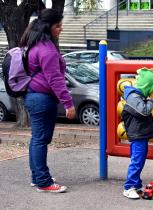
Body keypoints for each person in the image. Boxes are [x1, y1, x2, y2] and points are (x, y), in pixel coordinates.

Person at [20, 9, 76, 193]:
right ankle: (44, 182)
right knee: (40, 140)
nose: (61, 28)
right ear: (48, 26)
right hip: (41, 99)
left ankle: (37, 177)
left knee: (37, 139)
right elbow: (55, 79)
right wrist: (68, 103)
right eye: (58, 25)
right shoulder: (46, 49)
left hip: (34, 96)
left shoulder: (35, 44)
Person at [121, 67, 153, 199]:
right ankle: (129, 187)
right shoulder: (133, 96)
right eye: (152, 88)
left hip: (140, 134)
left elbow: (141, 117)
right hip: (137, 135)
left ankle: (136, 184)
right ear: (148, 86)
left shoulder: (137, 96)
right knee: (137, 160)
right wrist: (152, 100)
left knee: (140, 160)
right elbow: (144, 111)